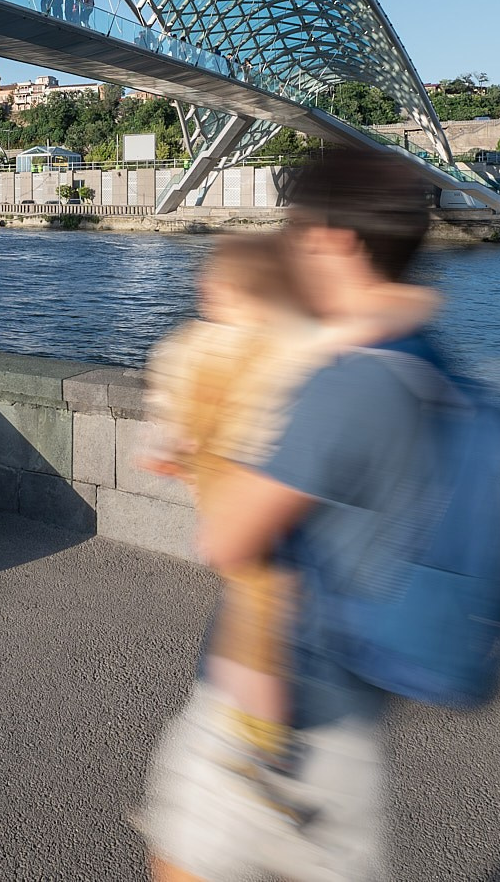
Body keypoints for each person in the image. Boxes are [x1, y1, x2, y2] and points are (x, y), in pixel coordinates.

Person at [140, 147, 446, 882]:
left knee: (186, 855)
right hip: (361, 688)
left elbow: (229, 537)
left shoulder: (342, 384)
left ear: (333, 241)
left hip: (281, 684)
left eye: (297, 227)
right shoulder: (420, 356)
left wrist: (200, 470)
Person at [138, 235, 320, 813]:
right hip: (268, 501)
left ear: (220, 290)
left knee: (250, 603)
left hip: (217, 505)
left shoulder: (183, 348)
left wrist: (178, 456)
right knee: (271, 605)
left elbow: (163, 442)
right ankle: (271, 747)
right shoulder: (286, 346)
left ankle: (252, 732)